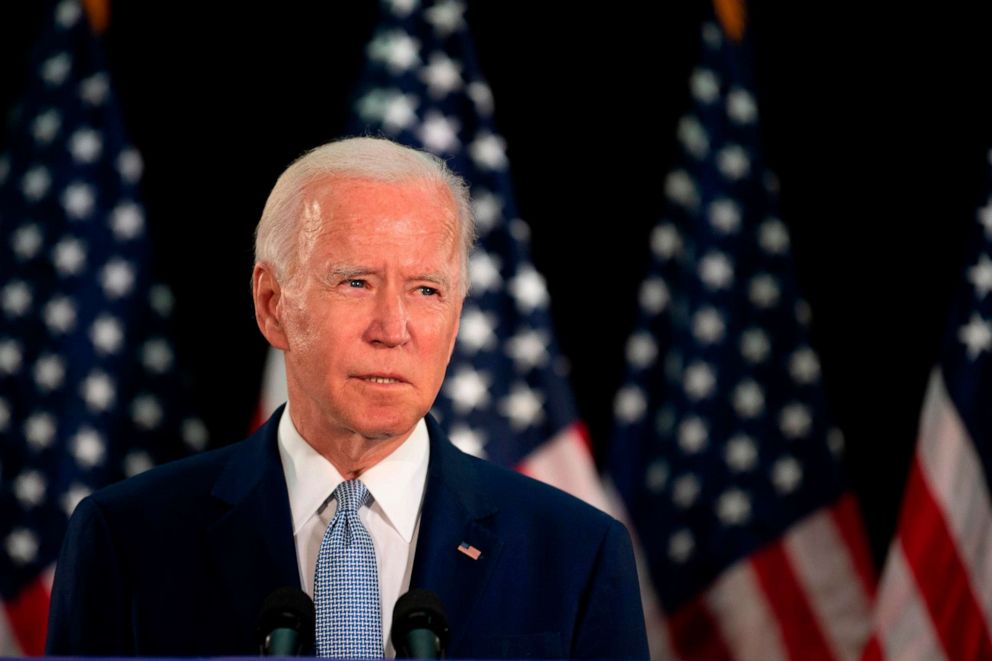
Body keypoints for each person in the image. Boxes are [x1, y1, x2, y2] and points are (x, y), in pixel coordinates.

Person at [46, 137, 649, 659]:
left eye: (426, 290)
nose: (392, 327)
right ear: (272, 305)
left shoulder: (577, 555)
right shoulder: (127, 539)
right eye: (356, 282)